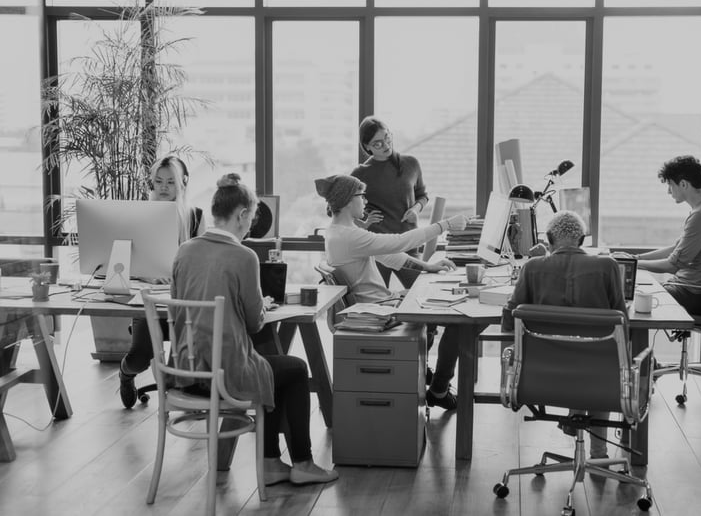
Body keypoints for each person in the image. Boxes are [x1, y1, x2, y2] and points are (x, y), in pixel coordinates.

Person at [172, 173, 337, 485]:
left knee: (271, 368)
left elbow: (179, 308)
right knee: (295, 369)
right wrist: (261, 305)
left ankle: (273, 462)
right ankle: (301, 461)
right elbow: (254, 323)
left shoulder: (185, 251)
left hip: (186, 369)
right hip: (223, 374)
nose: (250, 226)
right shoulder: (244, 256)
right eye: (251, 218)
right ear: (242, 215)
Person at [315, 174, 468, 410]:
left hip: (380, 303)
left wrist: (427, 266)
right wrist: (444, 225)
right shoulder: (348, 236)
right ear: (347, 200)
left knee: (434, 302)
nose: (365, 201)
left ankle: (423, 372)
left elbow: (387, 254)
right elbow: (398, 242)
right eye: (361, 196)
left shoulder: (339, 232)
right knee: (459, 322)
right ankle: (438, 389)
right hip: (377, 310)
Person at [501, 211, 627, 460]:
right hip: (598, 373)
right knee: (603, 362)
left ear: (548, 240)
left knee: (579, 361)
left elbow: (509, 317)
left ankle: (575, 415)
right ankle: (599, 450)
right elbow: (622, 322)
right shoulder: (607, 266)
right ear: (581, 239)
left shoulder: (533, 268)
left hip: (545, 373)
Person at [118, 156, 206, 408]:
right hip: (148, 295)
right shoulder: (140, 215)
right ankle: (126, 374)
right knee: (140, 358)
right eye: (158, 181)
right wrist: (145, 274)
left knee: (182, 353)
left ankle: (180, 396)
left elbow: (202, 262)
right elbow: (127, 259)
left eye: (170, 182)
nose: (164, 187)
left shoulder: (195, 217)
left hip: (183, 299)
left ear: (183, 184)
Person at [628, 155, 701, 316]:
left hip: (689, 295)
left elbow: (672, 265)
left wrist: (632, 264)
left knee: (628, 298)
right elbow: (675, 249)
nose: (668, 191)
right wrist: (636, 258)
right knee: (636, 291)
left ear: (683, 184)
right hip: (688, 291)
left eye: (670, 185)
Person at [351, 116, 429, 289]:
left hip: (409, 243)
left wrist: (416, 209)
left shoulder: (411, 164)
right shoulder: (360, 173)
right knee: (378, 303)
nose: (386, 146)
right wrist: (364, 221)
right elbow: (337, 209)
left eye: (387, 138)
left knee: (419, 293)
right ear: (367, 147)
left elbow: (422, 195)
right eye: (377, 144)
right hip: (378, 248)